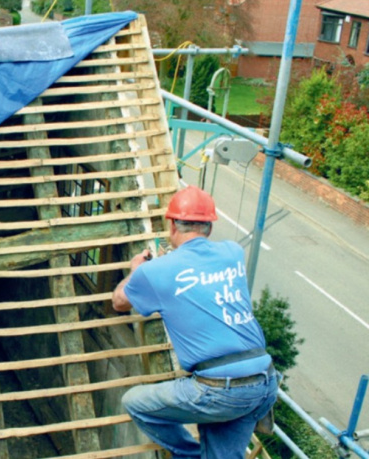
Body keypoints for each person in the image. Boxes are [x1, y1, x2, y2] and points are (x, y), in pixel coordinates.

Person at [112, 186, 278, 458]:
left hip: (219, 390)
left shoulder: (156, 271)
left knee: (135, 402)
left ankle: (189, 454)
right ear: (209, 228)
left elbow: (119, 302)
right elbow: (196, 276)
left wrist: (136, 272)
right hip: (263, 384)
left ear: (172, 225)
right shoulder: (233, 252)